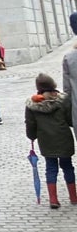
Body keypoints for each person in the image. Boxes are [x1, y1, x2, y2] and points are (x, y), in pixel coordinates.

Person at [25, 74, 76, 209]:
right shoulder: (63, 100)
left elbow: (30, 124)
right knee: (68, 166)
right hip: (64, 138)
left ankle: (53, 199)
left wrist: (31, 136)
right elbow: (70, 119)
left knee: (51, 168)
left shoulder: (32, 104)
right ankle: (73, 196)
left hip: (46, 140)